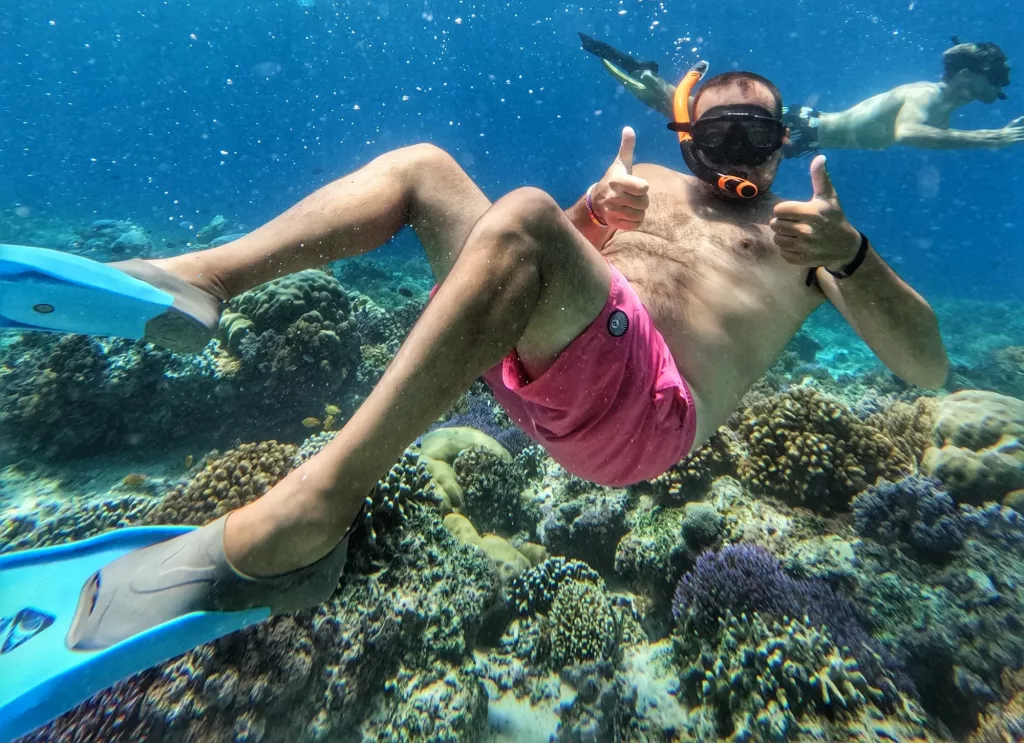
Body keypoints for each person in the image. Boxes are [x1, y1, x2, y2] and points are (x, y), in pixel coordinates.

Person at [0, 68, 947, 730]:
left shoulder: (809, 243)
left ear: (789, 141)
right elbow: (546, 276)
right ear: (686, 135)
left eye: (760, 131)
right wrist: (592, 220)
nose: (740, 148)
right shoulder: (648, 178)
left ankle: (309, 512)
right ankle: (197, 279)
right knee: (425, 167)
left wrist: (851, 256)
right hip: (543, 368)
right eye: (720, 130)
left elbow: (928, 369)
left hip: (642, 421)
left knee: (527, 215)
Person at [587, 35, 1024, 156]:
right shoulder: (926, 95)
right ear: (968, 75)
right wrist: (992, 139)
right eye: (995, 80)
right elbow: (908, 132)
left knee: (705, 119)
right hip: (801, 129)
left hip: (807, 132)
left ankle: (648, 76)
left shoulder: (941, 101)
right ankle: (646, 76)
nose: (999, 90)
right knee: (701, 122)